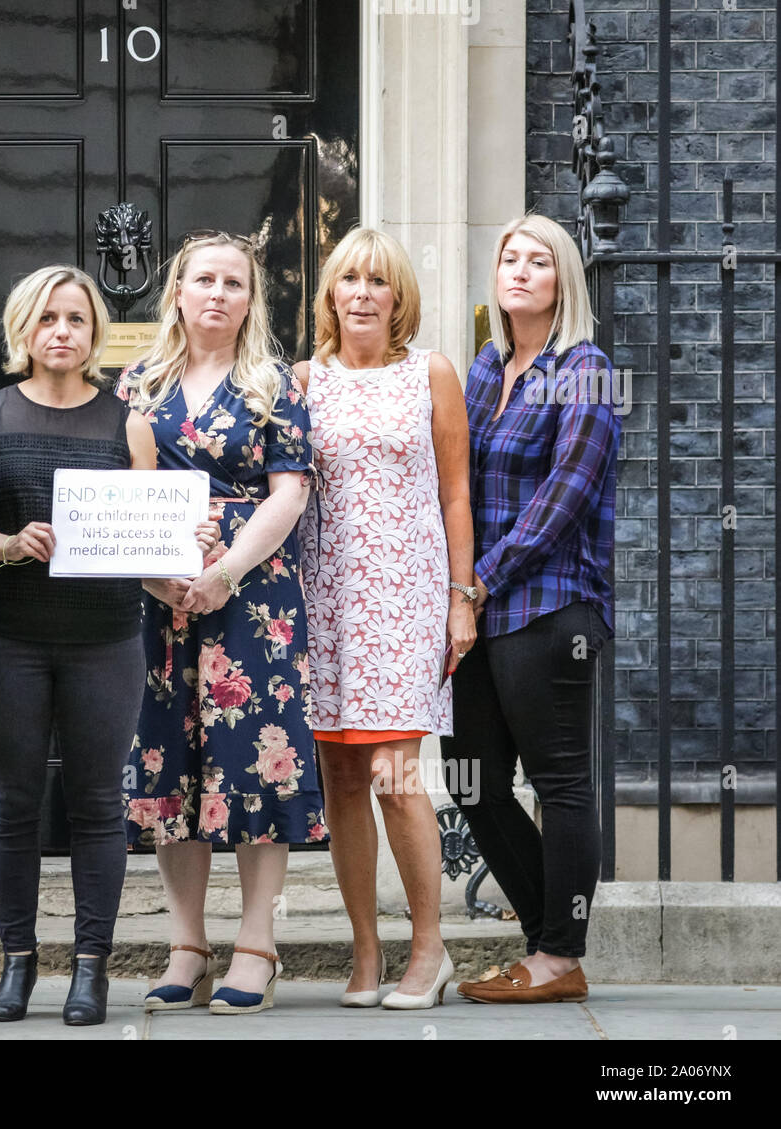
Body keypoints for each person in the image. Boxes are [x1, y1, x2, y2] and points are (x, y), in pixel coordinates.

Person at [0, 265, 220, 1026]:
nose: (61, 331)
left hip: (105, 638)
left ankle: (91, 968)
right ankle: (17, 963)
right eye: (46, 319)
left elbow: (149, 541)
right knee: (12, 800)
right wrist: (9, 542)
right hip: (4, 639)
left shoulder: (126, 422)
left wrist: (186, 546)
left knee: (100, 803)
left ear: (94, 331)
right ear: (22, 332)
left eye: (75, 318)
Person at [119, 232, 326, 1016]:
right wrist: (164, 574)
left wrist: (223, 569)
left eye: (233, 282)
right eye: (203, 279)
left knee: (255, 763)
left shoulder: (274, 383)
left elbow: (289, 495)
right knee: (171, 764)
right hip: (158, 595)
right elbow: (122, 494)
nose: (217, 293)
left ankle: (257, 944)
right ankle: (186, 943)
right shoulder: (137, 383)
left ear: (250, 299)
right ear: (177, 290)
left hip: (254, 595)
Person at [294, 227, 476, 1010]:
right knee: (340, 778)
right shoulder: (304, 379)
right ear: (329, 294)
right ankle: (366, 953)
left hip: (403, 600)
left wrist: (460, 596)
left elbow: (456, 494)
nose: (363, 292)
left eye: (378, 280)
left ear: (399, 295)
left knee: (397, 778)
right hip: (323, 599)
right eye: (349, 279)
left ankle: (428, 948)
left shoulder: (430, 373)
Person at [443, 213, 620, 1004]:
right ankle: (548, 942)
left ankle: (559, 952)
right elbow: (453, 483)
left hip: (548, 609)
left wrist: (477, 581)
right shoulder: (486, 367)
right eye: (509, 257)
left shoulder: (586, 369)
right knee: (472, 778)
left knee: (561, 783)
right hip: (473, 608)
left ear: (563, 280)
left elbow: (562, 502)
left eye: (537, 260)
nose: (518, 270)